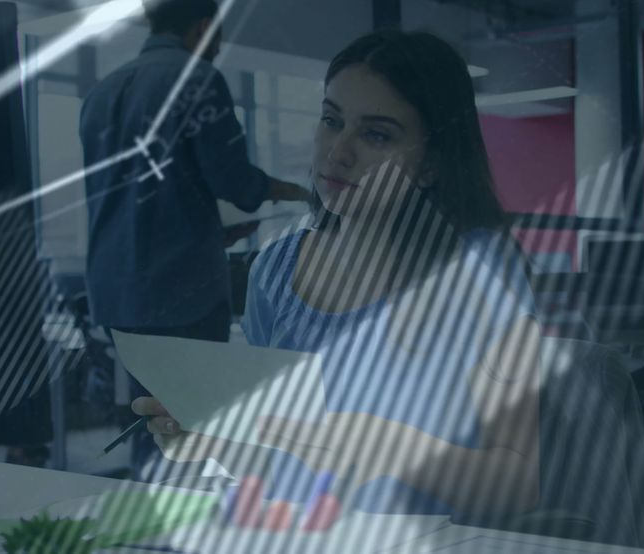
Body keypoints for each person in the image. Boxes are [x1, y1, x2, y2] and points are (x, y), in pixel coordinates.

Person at [133, 29, 542, 517]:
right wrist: (211, 443)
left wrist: (391, 449)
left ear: (433, 162)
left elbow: (518, 485)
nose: (337, 153)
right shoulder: (276, 270)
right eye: (331, 121)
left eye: (376, 134)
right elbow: (275, 452)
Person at [78, 0, 308, 478]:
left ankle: (146, 513)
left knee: (144, 415)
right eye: (218, 38)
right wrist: (297, 191)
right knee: (197, 428)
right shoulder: (196, 78)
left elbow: (135, 197)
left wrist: (206, 227)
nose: (218, 49)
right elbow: (234, 181)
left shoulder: (100, 93)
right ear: (203, 27)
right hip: (179, 287)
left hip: (113, 288)